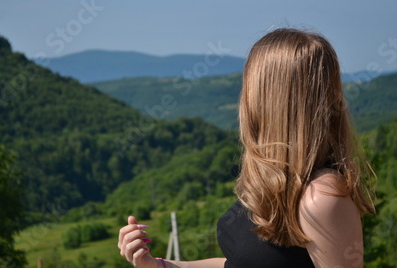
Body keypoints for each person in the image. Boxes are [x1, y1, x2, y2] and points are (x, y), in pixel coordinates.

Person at [118, 28, 376, 268]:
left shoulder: (322, 199)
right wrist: (160, 265)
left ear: (267, 99)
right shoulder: (276, 180)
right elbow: (241, 262)